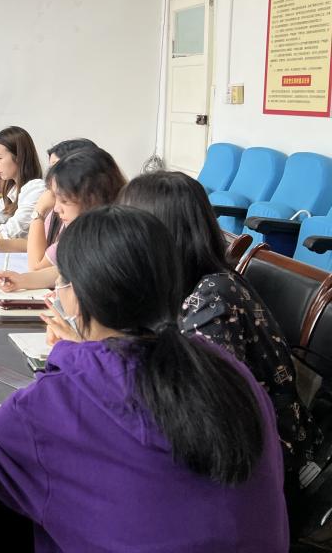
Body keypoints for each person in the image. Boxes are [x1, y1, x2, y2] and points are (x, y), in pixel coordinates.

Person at [0, 206, 289, 552]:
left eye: (60, 283)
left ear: (75, 297)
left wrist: (70, 361)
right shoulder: (226, 368)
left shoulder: (60, 398)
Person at [119, 170, 318, 528]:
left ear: (159, 235)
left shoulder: (214, 299)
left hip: (261, 474)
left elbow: (200, 420)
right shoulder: (188, 282)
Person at [0, 145, 125, 291]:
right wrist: (21, 281)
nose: (56, 208)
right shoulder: (85, 232)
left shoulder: (114, 241)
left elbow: (39, 267)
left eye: (64, 200)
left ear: (93, 198)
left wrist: (38, 212)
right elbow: (63, 271)